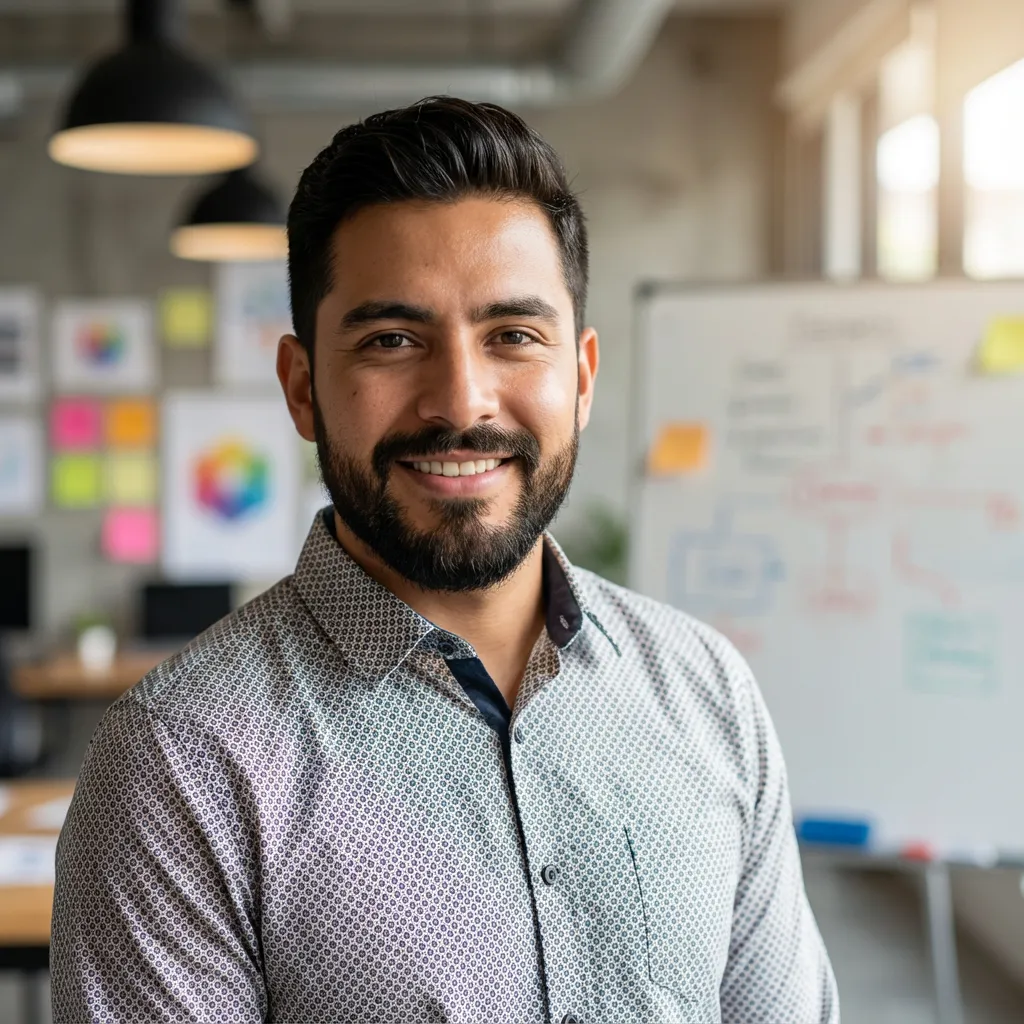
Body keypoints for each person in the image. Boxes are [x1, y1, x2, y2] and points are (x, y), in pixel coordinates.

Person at [51, 97, 838, 1024]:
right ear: (303, 389)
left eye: (513, 335)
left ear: (581, 379)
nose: (460, 400)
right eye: (392, 341)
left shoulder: (706, 694)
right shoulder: (180, 765)